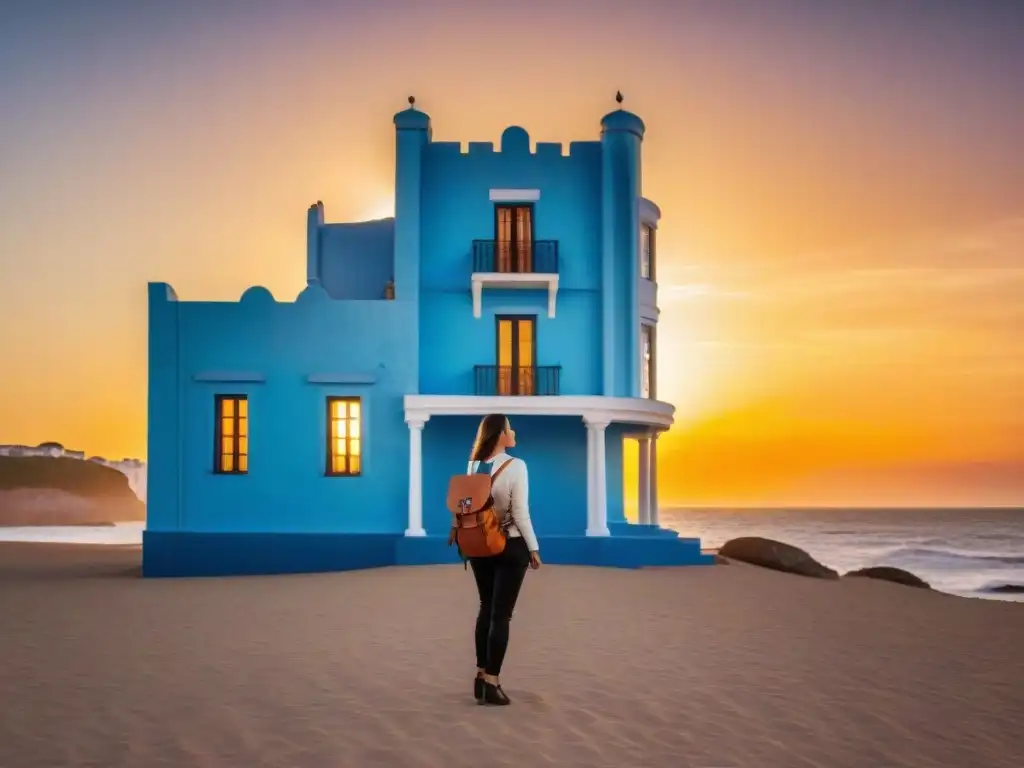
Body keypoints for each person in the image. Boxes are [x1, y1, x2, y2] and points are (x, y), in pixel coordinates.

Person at [466, 414, 541, 706]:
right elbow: (520, 513)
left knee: (486, 607)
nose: (514, 431)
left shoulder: (473, 465)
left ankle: (480, 676)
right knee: (501, 614)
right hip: (509, 545)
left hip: (478, 543)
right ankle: (492, 682)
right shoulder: (516, 465)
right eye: (510, 427)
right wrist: (533, 548)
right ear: (500, 434)